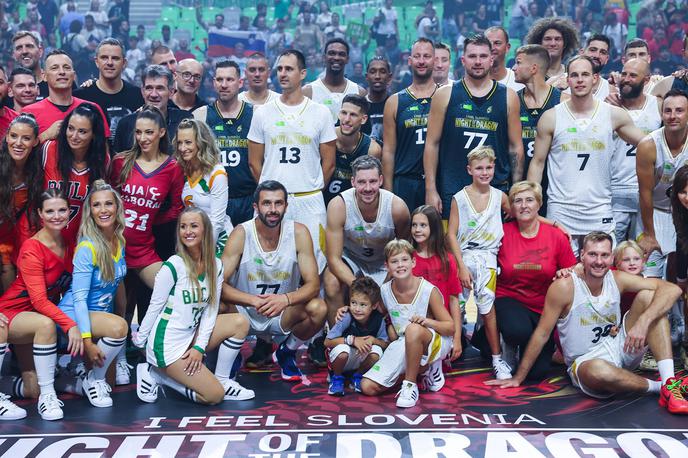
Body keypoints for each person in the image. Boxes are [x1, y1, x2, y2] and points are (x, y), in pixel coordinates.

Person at [486, 232, 688, 415]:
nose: (599, 261)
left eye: (604, 255)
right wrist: (518, 377)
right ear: (582, 255)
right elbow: (541, 334)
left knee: (649, 297)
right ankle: (658, 387)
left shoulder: (617, 278)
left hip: (620, 346)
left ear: (611, 258)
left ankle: (670, 383)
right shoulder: (564, 286)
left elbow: (673, 290)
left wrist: (643, 322)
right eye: (593, 254)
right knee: (599, 370)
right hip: (585, 361)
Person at [133, 207, 254, 404]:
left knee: (239, 322)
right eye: (183, 227)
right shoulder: (174, 265)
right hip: (167, 345)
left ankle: (224, 380)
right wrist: (141, 340)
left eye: (194, 226)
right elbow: (155, 305)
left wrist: (199, 346)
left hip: (191, 336)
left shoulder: (216, 265)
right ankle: (157, 374)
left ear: (205, 230)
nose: (187, 231)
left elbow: (210, 310)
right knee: (213, 396)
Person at [527, 56, 644, 254]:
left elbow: (647, 144)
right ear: (568, 80)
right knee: (561, 276)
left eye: (585, 75)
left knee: (600, 273)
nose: (580, 80)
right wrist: (532, 201)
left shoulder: (613, 114)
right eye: (574, 75)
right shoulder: (551, 117)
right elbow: (537, 163)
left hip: (599, 209)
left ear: (595, 79)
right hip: (561, 210)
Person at [221, 180, 328, 381]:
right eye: (267, 203)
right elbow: (219, 285)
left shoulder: (299, 232)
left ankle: (286, 352)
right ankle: (232, 354)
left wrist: (285, 299)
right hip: (244, 312)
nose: (273, 209)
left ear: (286, 206)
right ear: (256, 207)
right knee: (216, 304)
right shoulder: (241, 234)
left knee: (319, 308)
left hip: (281, 312)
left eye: (278, 203)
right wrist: (252, 300)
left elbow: (313, 285)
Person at [248, 49, 336, 275]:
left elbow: (329, 163)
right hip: (273, 202)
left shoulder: (321, 113)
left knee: (315, 269)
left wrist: (311, 186)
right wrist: (270, 194)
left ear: (303, 73)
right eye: (279, 69)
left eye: (289, 69)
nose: (283, 74)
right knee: (270, 266)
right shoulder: (262, 113)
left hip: (310, 200)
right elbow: (254, 162)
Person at [0, 189, 82, 420]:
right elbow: (38, 300)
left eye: (62, 210)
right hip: (12, 313)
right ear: (40, 214)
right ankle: (48, 397)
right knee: (46, 324)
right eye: (50, 211)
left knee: (31, 388)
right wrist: (69, 325)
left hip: (33, 318)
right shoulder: (31, 248)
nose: (57, 216)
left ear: (69, 212)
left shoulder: (69, 242)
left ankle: (29, 390)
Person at [424, 34, 523, 219]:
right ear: (463, 60)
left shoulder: (509, 96)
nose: (478, 61)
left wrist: (516, 190)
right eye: (472, 56)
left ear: (491, 59)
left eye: (483, 56)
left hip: (496, 189)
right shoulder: (444, 95)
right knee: (452, 246)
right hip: (452, 188)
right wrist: (431, 189)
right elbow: (432, 144)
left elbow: (515, 147)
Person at [492, 181, 577, 379]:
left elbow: (573, 268)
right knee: (517, 330)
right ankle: (504, 343)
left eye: (529, 200)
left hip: (544, 306)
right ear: (511, 207)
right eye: (518, 201)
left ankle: (523, 347)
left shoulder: (556, 236)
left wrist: (564, 273)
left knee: (537, 374)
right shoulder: (501, 232)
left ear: (539, 204)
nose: (524, 205)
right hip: (509, 298)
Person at [109, 105, 184, 331]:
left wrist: (151, 221)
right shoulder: (121, 162)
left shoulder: (173, 167)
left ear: (161, 132)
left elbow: (177, 207)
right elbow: (106, 200)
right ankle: (119, 358)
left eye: (149, 132)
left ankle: (151, 347)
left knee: (172, 291)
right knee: (119, 307)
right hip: (115, 246)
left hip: (143, 247)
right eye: (138, 132)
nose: (142, 138)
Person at [56, 180, 128, 407]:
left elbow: (118, 284)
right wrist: (87, 341)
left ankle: (68, 381)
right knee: (118, 327)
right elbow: (78, 298)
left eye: (108, 204)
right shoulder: (88, 247)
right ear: (90, 211)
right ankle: (90, 378)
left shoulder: (119, 239)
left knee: (113, 384)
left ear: (117, 208)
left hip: (99, 318)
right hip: (76, 315)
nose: (103, 210)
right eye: (97, 205)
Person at [360, 239, 454, 408]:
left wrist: (427, 321)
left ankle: (410, 386)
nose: (400, 265)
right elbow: (371, 310)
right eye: (394, 261)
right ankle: (423, 369)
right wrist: (345, 311)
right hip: (404, 342)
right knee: (368, 386)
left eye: (404, 260)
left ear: (413, 262)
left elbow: (450, 327)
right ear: (387, 266)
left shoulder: (427, 290)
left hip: (434, 341)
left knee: (413, 330)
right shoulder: (384, 291)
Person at [447, 146, 513, 379]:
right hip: (464, 256)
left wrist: (552, 224)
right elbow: (451, 234)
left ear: (494, 168)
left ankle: (497, 358)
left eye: (488, 167)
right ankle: (449, 353)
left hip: (488, 257)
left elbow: (521, 216)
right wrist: (461, 266)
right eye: (479, 168)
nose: (484, 172)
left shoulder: (500, 197)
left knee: (488, 308)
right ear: (469, 170)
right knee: (458, 305)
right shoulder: (460, 198)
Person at [324, 155, 410, 323]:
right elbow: (333, 258)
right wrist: (360, 288)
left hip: (385, 264)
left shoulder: (397, 207)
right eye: (362, 182)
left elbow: (404, 254)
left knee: (404, 280)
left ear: (381, 180)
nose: (368, 188)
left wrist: (384, 287)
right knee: (331, 281)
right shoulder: (338, 205)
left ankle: (390, 334)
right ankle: (337, 338)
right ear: (353, 182)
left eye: (372, 181)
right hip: (352, 260)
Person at [194, 61, 256, 226]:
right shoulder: (200, 115)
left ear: (240, 83)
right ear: (214, 83)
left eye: (229, 79)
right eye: (220, 80)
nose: (224, 84)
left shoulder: (256, 114)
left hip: (248, 198)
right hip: (213, 200)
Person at [636, 89, 688, 280]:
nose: (673, 116)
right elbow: (645, 193)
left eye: (679, 111)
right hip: (653, 212)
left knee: (681, 277)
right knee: (650, 277)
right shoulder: (648, 145)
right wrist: (649, 234)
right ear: (661, 113)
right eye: (668, 111)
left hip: (684, 214)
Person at [42, 103, 109, 249]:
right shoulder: (49, 149)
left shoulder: (103, 161)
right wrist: (44, 135)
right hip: (45, 239)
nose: (74, 136)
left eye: (82, 131)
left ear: (93, 135)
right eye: (70, 128)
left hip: (81, 242)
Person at [381, 38, 436, 214]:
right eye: (417, 56)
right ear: (410, 61)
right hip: (405, 182)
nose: (421, 61)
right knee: (404, 240)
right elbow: (388, 151)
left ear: (434, 60)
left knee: (438, 239)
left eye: (426, 56)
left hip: (437, 181)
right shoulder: (395, 101)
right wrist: (388, 194)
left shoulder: (446, 97)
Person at [611, 59, 661, 244]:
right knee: (611, 253)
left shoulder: (658, 105)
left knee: (642, 255)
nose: (626, 79)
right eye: (624, 74)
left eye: (633, 75)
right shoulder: (607, 107)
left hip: (647, 194)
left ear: (647, 79)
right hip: (614, 193)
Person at [410, 205, 463, 370]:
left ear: (433, 228)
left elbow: (454, 301)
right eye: (414, 225)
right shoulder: (407, 259)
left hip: (442, 326)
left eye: (423, 225)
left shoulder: (447, 260)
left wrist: (458, 338)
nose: (417, 230)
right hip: (415, 323)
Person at [22, 50, 109, 143]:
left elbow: (104, 151)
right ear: (44, 76)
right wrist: (45, 135)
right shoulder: (29, 113)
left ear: (74, 75)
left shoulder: (93, 109)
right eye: (54, 68)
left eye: (66, 68)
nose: (62, 72)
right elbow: (21, 151)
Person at [513, 44, 564, 201]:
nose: (514, 68)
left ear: (533, 68)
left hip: (555, 190)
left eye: (519, 62)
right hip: (520, 187)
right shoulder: (513, 101)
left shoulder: (562, 102)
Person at [324, 276, 390, 396]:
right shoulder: (346, 316)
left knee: (377, 351)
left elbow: (385, 343)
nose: (357, 309)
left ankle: (358, 376)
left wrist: (373, 340)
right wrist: (352, 340)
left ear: (374, 306)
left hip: (359, 359)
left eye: (363, 305)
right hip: (343, 357)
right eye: (353, 303)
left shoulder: (378, 319)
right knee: (342, 350)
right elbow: (327, 342)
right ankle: (336, 378)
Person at [0, 115, 44, 292]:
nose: (18, 143)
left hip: (15, 242)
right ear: (6, 137)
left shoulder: (36, 172)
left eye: (26, 138)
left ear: (35, 142)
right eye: (14, 136)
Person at [175, 118, 231, 255]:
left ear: (201, 143)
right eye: (179, 143)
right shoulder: (183, 169)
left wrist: (203, 253)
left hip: (217, 239)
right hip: (193, 237)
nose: (182, 148)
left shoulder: (216, 174)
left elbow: (217, 221)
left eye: (188, 142)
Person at [74, 38, 144, 141]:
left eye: (115, 58)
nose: (110, 62)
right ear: (96, 62)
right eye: (104, 58)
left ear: (124, 63)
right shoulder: (81, 96)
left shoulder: (137, 95)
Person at [113, 65, 191, 154]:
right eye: (149, 88)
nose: (153, 94)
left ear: (171, 92)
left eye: (160, 88)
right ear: (142, 92)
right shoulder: (126, 124)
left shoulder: (184, 120)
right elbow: (118, 163)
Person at [324, 95, 382, 204]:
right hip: (321, 202)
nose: (346, 120)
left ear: (363, 119)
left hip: (354, 206)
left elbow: (370, 188)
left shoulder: (372, 149)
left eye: (353, 115)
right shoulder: (325, 137)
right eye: (344, 113)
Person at [303, 38, 366, 124]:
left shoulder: (359, 92)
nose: (336, 57)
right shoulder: (308, 92)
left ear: (347, 59)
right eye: (332, 53)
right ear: (324, 58)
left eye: (341, 54)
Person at [670, 165, 688, 367]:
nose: (687, 197)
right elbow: (682, 245)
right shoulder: (680, 212)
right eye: (683, 192)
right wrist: (681, 279)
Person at [361, 57, 391, 145]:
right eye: (373, 72)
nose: (377, 76)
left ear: (389, 77)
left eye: (382, 72)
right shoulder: (359, 107)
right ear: (366, 76)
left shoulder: (397, 105)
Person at [485, 26, 524, 91]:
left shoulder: (520, 82)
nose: (492, 48)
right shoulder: (474, 82)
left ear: (507, 48)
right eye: (488, 43)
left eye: (497, 43)